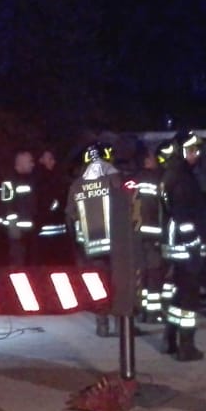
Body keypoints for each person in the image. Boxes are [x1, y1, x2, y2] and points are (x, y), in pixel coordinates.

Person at [161, 129, 206, 361]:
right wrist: (194, 243)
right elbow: (183, 215)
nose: (196, 154)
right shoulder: (182, 178)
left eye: (197, 150)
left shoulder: (174, 174)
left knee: (179, 294)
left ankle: (171, 340)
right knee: (189, 297)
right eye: (192, 150)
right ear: (182, 151)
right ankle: (186, 346)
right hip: (185, 246)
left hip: (177, 245)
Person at [67, 141, 126, 337]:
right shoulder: (114, 179)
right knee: (118, 282)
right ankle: (121, 324)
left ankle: (102, 324)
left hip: (90, 244)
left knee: (99, 284)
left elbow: (70, 214)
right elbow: (127, 206)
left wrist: (77, 241)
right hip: (116, 242)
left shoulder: (77, 184)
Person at [125, 138, 174, 325]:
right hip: (153, 234)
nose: (156, 161)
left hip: (135, 235)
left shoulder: (131, 181)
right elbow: (165, 207)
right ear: (147, 160)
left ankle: (141, 309)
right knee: (154, 273)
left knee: (141, 273)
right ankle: (152, 313)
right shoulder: (157, 179)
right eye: (153, 158)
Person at [0, 149, 39, 265]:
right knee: (17, 263)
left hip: (27, 233)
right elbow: (7, 206)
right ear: (21, 163)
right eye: (29, 161)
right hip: (15, 233)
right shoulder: (9, 181)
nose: (32, 164)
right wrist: (13, 227)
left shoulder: (29, 180)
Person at [34, 148, 70, 263]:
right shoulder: (40, 180)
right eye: (49, 158)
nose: (52, 162)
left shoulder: (56, 178)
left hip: (54, 230)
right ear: (40, 160)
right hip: (44, 230)